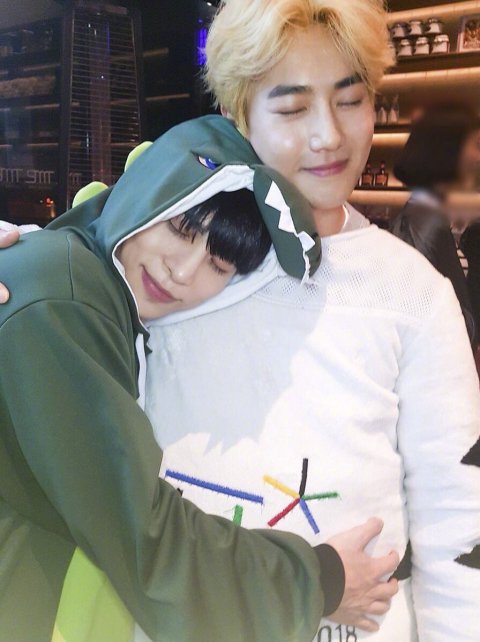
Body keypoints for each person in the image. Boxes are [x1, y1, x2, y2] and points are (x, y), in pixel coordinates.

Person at [135, 1, 479, 641]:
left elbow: (458, 521)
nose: (329, 136)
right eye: (292, 109)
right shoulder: (169, 262)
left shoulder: (411, 293)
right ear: (239, 115)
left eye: (350, 101)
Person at [0, 115, 398, 642]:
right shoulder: (66, 304)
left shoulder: (83, 280)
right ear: (141, 194)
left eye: (219, 264)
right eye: (179, 229)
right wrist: (320, 580)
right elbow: (146, 541)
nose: (183, 272)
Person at [390, 104, 480, 346]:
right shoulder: (424, 225)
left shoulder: (426, 217)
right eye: (475, 145)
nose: (478, 157)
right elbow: (455, 326)